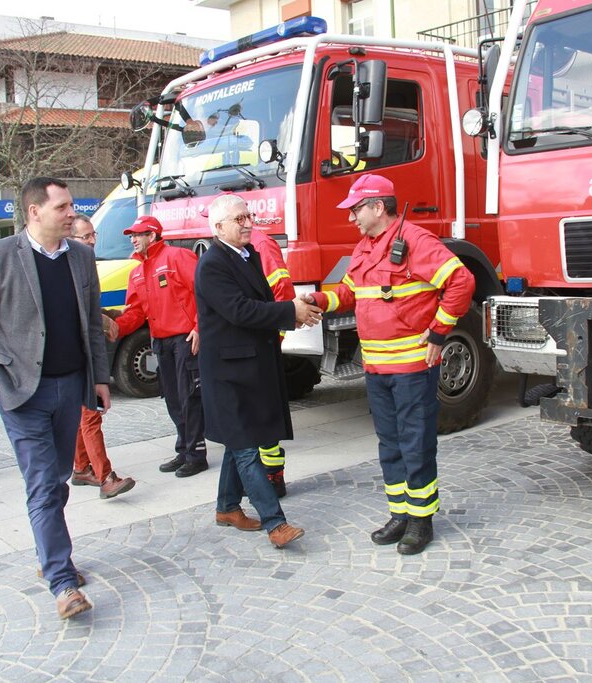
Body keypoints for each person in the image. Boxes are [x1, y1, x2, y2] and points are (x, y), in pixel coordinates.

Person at [0, 177, 110, 620]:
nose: (70, 212)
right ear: (34, 212)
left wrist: (100, 377)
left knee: (59, 476)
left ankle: (50, 553)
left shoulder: (81, 257)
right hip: (20, 393)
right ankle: (62, 582)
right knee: (43, 483)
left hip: (70, 388)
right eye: (62, 206)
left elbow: (91, 324)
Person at [303, 174, 475, 555]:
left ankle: (421, 520)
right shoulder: (366, 246)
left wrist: (438, 332)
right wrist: (317, 300)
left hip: (412, 368)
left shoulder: (416, 241)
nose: (352, 218)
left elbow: (461, 281)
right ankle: (399, 514)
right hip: (377, 369)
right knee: (390, 445)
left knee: (415, 444)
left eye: (356, 209)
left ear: (378, 207)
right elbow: (349, 292)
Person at [196, 194, 320, 549]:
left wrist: (293, 315)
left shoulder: (246, 255)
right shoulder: (212, 264)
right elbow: (239, 311)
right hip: (228, 373)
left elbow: (261, 304)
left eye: (248, 216)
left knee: (240, 443)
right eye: (239, 219)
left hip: (250, 367)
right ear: (219, 228)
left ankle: (227, 508)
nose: (248, 222)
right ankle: (275, 523)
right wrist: (288, 312)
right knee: (246, 447)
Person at [114, 215, 208, 478]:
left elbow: (205, 291)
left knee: (190, 396)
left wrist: (199, 328)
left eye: (138, 234)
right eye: (131, 235)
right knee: (173, 398)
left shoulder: (178, 257)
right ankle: (184, 450)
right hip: (161, 341)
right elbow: (135, 312)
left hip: (184, 339)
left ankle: (196, 454)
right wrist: (116, 328)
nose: (133, 239)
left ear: (152, 236)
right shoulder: (137, 273)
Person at [68, 215, 135, 499]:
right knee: (89, 415)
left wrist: (107, 316)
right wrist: (102, 320)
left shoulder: (82, 264)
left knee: (82, 415)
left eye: (93, 234)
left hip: (81, 351)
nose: (93, 240)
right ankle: (106, 476)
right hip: (74, 354)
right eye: (86, 236)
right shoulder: (69, 268)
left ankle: (82, 467)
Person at [250, 227, 295, 497]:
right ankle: (264, 474)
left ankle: (274, 476)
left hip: (261, 342)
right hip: (252, 342)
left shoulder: (260, 245)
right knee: (255, 412)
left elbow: (282, 288)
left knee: (264, 411)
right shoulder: (239, 248)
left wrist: (274, 334)